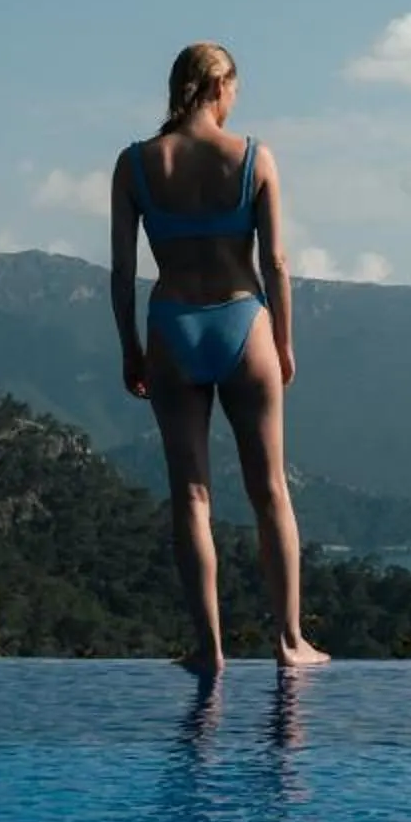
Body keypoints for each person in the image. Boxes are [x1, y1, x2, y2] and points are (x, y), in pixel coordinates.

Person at [111, 41, 328, 676]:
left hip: (171, 325)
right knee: (270, 491)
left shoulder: (137, 165)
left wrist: (129, 346)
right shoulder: (254, 158)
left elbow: (123, 271)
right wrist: (283, 340)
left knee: (192, 496)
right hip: (242, 322)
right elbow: (277, 264)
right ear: (221, 86)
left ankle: (209, 649)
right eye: (234, 89)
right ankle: (290, 641)